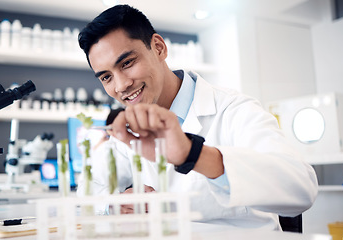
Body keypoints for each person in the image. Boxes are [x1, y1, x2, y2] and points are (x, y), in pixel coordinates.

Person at [77, 4, 318, 230]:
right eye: (106, 77)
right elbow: (85, 194)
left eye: (127, 62)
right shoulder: (128, 133)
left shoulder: (233, 109)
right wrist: (113, 205)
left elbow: (301, 188)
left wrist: (192, 154)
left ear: (159, 47)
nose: (121, 85)